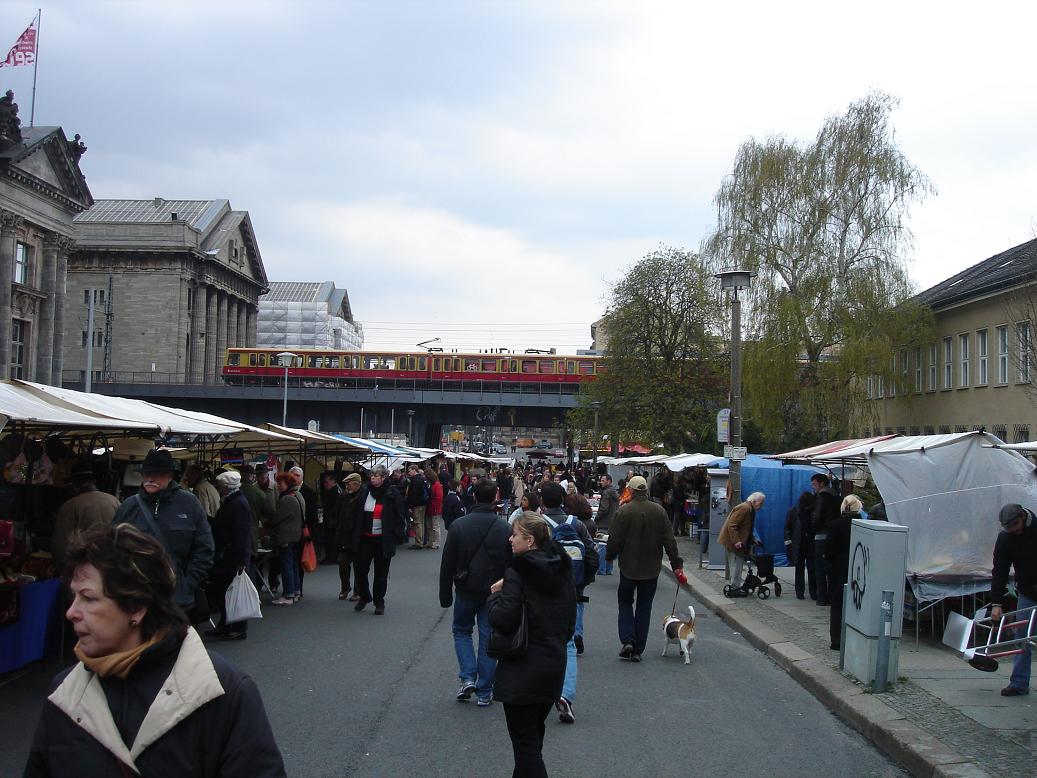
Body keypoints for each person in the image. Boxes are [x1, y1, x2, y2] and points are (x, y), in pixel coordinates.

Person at [24, 523, 286, 777]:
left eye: (89, 598)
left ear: (137, 606)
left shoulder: (222, 691)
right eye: (74, 597)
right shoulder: (65, 693)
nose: (71, 612)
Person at [488, 512, 576, 778]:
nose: (510, 539)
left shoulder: (518, 570)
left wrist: (495, 597)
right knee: (532, 738)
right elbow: (570, 621)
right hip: (553, 662)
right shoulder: (563, 567)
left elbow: (502, 619)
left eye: (514, 534)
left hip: (522, 666)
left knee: (526, 745)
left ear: (529, 540)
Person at [111, 449, 213, 616]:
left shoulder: (189, 503)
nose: (150, 478)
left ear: (170, 476)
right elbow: (112, 550)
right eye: (146, 474)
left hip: (177, 601)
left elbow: (205, 549)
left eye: (157, 474)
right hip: (137, 600)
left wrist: (187, 585)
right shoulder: (129, 506)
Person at [440, 478, 512, 707]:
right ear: (495, 497)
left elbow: (447, 563)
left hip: (466, 586)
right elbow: (512, 564)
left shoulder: (459, 526)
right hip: (494, 589)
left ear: (473, 496)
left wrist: (445, 594)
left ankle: (468, 677)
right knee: (488, 637)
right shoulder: (505, 527)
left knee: (461, 631)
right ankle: (484, 690)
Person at [605, 475, 683, 662]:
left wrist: (609, 556)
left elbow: (614, 539)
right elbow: (669, 540)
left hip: (628, 567)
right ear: (645, 491)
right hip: (651, 568)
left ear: (630, 491)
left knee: (624, 602)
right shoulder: (659, 511)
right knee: (644, 607)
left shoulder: (624, 512)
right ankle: (638, 648)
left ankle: (628, 640)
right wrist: (677, 564)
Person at [540, 480, 594, 716]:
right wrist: (584, 580)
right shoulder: (577, 525)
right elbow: (592, 553)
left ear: (542, 502)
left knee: (541, 641)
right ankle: (566, 694)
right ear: (564, 501)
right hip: (573, 589)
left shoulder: (538, 525)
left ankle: (541, 690)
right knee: (569, 643)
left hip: (544, 590)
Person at [990, 503, 1036, 696]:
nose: (1013, 530)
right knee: (1022, 638)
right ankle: (1019, 683)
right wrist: (997, 604)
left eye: (1014, 525)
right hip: (1027, 591)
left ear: (1022, 518)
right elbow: (1000, 570)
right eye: (1008, 528)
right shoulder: (1006, 538)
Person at [353, 464, 408, 614]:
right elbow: (358, 513)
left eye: (376, 476)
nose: (373, 479)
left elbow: (399, 515)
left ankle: (379, 602)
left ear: (384, 478)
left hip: (383, 539)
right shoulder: (365, 491)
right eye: (372, 476)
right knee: (360, 570)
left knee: (381, 574)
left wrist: (395, 535)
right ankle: (364, 596)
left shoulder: (392, 493)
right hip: (365, 538)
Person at [207, 470, 253, 640]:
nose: (218, 488)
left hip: (231, 556)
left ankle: (236, 627)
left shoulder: (236, 504)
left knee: (230, 592)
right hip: (230, 554)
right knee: (225, 592)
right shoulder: (235, 502)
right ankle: (227, 625)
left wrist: (241, 560)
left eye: (220, 486)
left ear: (226, 487)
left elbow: (240, 533)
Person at [52, 461, 120, 569]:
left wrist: (60, 569)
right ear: (93, 481)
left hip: (85, 566)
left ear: (73, 484)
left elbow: (61, 546)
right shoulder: (114, 501)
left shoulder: (70, 506)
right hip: (112, 564)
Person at [822, 494, 862, 650]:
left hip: (838, 570)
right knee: (856, 605)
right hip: (859, 571)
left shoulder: (835, 525)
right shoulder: (865, 525)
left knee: (837, 605)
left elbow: (828, 550)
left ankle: (837, 640)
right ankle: (855, 639)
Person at [267, 470, 304, 606]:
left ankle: (288, 594)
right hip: (296, 536)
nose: (278, 485)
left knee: (286, 565)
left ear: (287, 483)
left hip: (287, 536)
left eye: (280, 483)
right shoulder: (297, 495)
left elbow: (277, 518)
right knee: (293, 564)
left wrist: (267, 525)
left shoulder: (286, 498)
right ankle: (295, 591)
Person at [717, 491, 765, 595]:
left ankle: (735, 586)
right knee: (736, 565)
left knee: (737, 565)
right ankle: (734, 588)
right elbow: (732, 525)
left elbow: (745, 528)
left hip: (737, 542)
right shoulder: (745, 508)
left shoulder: (750, 509)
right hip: (732, 542)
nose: (761, 506)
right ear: (754, 501)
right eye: (760, 503)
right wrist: (736, 541)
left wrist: (753, 539)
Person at [811, 473, 840, 606]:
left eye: (814, 484)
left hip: (821, 535)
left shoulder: (821, 496)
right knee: (831, 568)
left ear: (822, 483)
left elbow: (817, 516)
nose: (813, 486)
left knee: (820, 568)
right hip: (834, 534)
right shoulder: (836, 496)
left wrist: (813, 528)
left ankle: (822, 597)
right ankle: (832, 595)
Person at [335, 473, 364, 601]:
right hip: (344, 536)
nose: (347, 486)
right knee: (342, 562)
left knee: (358, 565)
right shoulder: (344, 497)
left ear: (357, 484)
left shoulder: (363, 497)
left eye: (349, 484)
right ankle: (345, 587)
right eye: (346, 484)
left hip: (358, 537)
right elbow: (339, 515)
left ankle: (358, 591)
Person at [784, 491, 817, 600]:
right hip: (799, 544)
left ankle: (812, 592)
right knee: (800, 569)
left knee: (811, 569)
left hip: (808, 544)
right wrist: (788, 542)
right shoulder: (794, 511)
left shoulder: (806, 511)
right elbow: (787, 529)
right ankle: (800, 591)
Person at [406, 464, 431, 549]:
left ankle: (418, 542)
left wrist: (410, 506)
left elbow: (413, 494)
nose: (408, 473)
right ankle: (421, 540)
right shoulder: (422, 479)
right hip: (422, 503)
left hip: (418, 504)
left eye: (409, 471)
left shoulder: (416, 480)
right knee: (421, 523)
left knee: (418, 523)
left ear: (414, 470)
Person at [426, 466, 445, 549]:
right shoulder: (433, 484)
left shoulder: (436, 485)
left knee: (435, 527)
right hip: (431, 508)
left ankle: (436, 543)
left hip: (434, 509)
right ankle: (431, 542)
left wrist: (434, 507)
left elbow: (439, 498)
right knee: (430, 526)